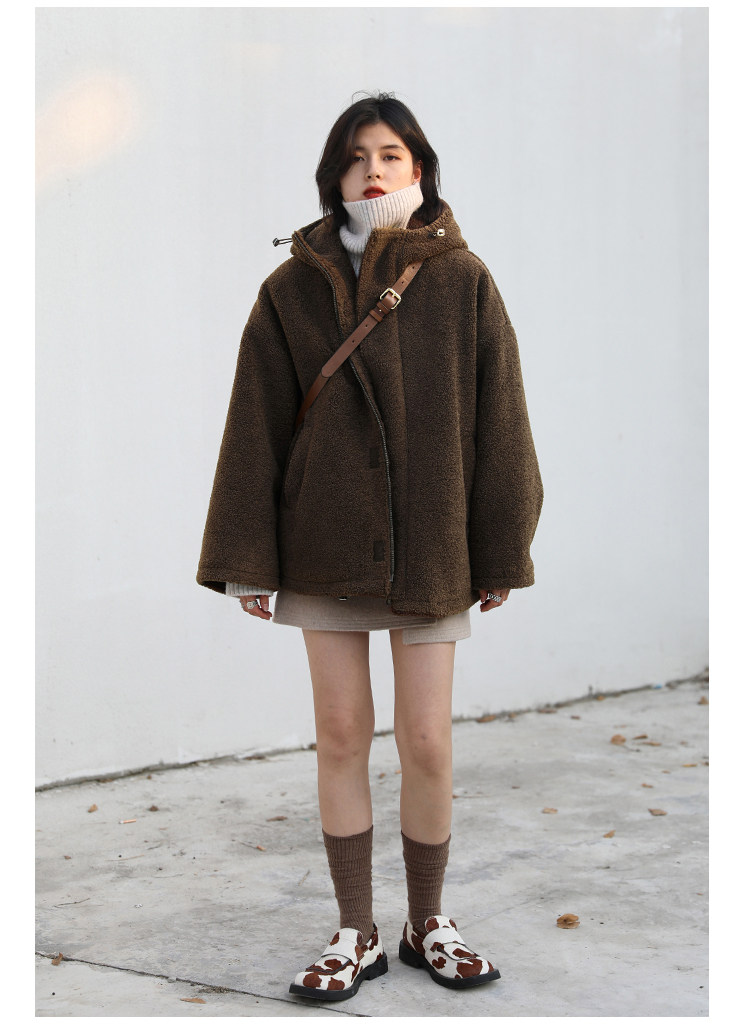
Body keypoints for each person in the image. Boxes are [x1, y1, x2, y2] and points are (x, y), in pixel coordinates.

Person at [197, 92, 543, 1002]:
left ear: (419, 167)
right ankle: (356, 930)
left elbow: (502, 422)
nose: (374, 170)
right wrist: (247, 559)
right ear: (334, 175)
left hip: (431, 546)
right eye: (356, 157)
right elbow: (255, 427)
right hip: (322, 540)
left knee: (426, 740)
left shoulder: (463, 280)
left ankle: (429, 922)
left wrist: (500, 548)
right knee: (342, 734)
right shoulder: (291, 290)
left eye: (390, 153)